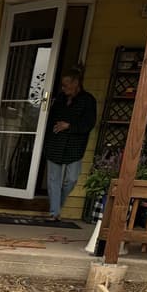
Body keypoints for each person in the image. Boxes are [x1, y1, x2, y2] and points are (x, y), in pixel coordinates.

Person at [44, 70, 98, 221]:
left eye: (66, 85)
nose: (63, 88)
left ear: (76, 83)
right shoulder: (60, 99)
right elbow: (50, 120)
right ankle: (54, 213)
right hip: (55, 143)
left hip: (74, 145)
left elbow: (88, 124)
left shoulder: (88, 100)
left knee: (72, 179)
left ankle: (57, 204)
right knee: (53, 180)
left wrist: (69, 126)